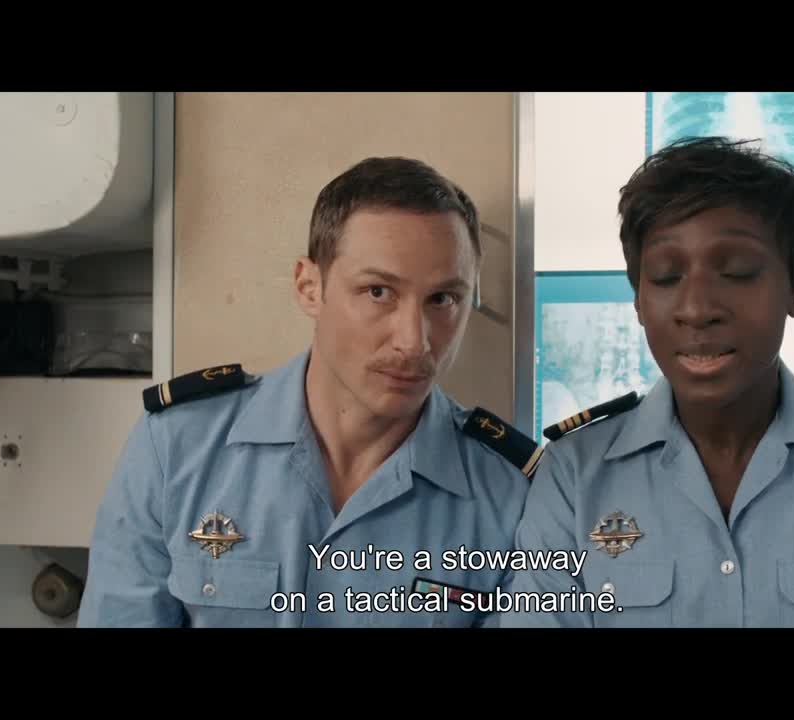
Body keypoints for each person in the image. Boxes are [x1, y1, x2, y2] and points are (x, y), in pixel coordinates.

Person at [501, 137, 794, 628]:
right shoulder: (574, 477)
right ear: (638, 300)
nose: (697, 309)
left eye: (738, 272)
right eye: (665, 276)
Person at [78, 157, 539, 628]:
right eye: (378, 292)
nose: (413, 341)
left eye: (443, 299)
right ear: (309, 287)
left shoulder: (512, 496)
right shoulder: (178, 448)